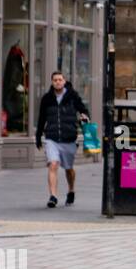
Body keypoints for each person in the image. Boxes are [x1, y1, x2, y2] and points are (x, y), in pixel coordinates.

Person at [35, 71, 90, 209]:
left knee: (68, 169)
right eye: (55, 80)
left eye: (60, 80)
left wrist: (84, 117)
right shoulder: (47, 99)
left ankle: (71, 190)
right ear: (52, 82)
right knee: (53, 164)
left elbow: (84, 111)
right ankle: (53, 196)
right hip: (52, 138)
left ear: (64, 81)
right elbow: (41, 119)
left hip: (69, 137)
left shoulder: (72, 96)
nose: (58, 82)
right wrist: (38, 136)